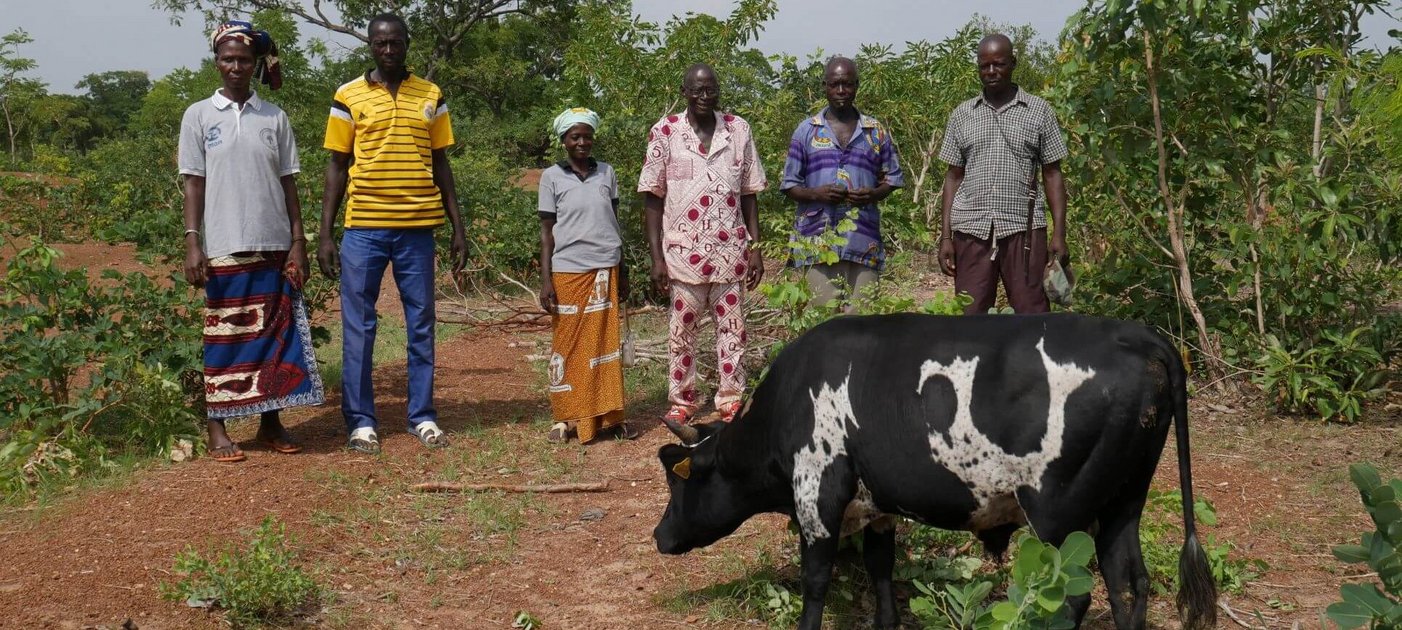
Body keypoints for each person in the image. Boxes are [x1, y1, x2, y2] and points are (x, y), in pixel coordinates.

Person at [318, 13, 467, 454]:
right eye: (380, 43)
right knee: (359, 325)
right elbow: (336, 166)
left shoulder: (431, 94)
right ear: (370, 46)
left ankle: (422, 416)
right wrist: (324, 233)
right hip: (363, 226)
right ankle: (361, 421)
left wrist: (459, 226)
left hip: (418, 227)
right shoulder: (348, 95)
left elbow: (442, 163)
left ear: (406, 44)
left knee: (421, 323)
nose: (388, 50)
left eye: (395, 42)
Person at [178, 20, 323, 463]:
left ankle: (271, 423)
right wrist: (192, 241)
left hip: (274, 243)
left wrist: (298, 241)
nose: (236, 66)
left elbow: (289, 183)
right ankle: (216, 427)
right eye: (228, 59)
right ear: (216, 63)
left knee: (274, 336)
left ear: (255, 63)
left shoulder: (273, 116)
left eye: (244, 59)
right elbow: (193, 183)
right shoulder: (198, 115)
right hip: (223, 244)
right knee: (224, 336)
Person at [639, 64, 767, 425]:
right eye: (697, 90)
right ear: (685, 92)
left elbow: (750, 194)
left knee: (733, 331)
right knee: (681, 335)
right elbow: (652, 198)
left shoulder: (738, 130)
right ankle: (683, 401)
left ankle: (730, 399)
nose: (704, 97)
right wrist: (656, 259)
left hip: (730, 254)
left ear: (718, 91)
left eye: (710, 90)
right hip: (681, 256)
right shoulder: (664, 132)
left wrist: (756, 248)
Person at [937, 34, 1069, 314]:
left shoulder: (1039, 111)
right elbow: (953, 177)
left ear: (1013, 63)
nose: (991, 72)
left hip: (1024, 230)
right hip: (971, 228)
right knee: (970, 315)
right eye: (984, 66)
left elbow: (1053, 174)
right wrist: (946, 237)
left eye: (998, 64)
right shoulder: (962, 114)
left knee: (1032, 315)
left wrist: (1059, 233)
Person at [537, 108, 638, 444]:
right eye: (574, 136)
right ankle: (565, 417)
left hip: (605, 266)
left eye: (587, 136)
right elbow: (546, 232)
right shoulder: (551, 176)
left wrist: (621, 273)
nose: (582, 142)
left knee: (603, 347)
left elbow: (613, 221)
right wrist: (546, 278)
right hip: (567, 270)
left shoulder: (607, 173)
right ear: (563, 140)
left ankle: (610, 417)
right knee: (566, 346)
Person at [780, 57, 904, 313]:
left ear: (857, 85)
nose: (840, 91)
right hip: (816, 241)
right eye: (834, 84)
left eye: (846, 84)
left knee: (863, 327)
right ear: (825, 85)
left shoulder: (875, 131)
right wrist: (817, 193)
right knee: (823, 324)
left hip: (862, 242)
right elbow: (789, 184)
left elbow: (893, 178)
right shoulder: (806, 131)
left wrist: (873, 194)